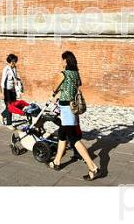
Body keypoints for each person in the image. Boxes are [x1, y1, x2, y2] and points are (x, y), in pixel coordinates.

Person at [49, 51, 100, 181]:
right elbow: (76, 86)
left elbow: (54, 87)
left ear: (66, 61)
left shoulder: (63, 74)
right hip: (73, 108)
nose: (61, 62)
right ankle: (57, 162)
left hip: (66, 109)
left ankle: (93, 167)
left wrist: (56, 93)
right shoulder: (76, 74)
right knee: (62, 134)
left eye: (62, 60)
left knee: (73, 139)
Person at [0, 53, 21, 130]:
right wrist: (3, 93)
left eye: (15, 61)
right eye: (13, 62)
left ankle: (2, 115)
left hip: (12, 90)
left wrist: (18, 87)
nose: (14, 63)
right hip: (6, 90)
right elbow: (2, 81)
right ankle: (9, 124)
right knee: (10, 107)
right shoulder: (6, 69)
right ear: (9, 62)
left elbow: (15, 78)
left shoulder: (14, 68)